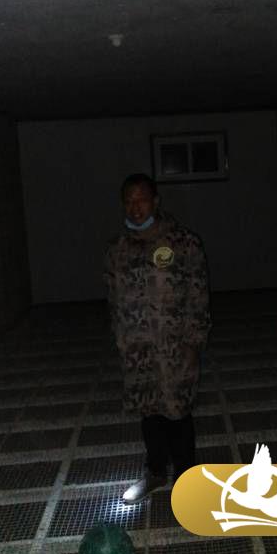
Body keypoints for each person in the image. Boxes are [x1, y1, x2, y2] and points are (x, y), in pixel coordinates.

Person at [104, 173, 211, 503]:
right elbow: (113, 298)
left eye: (142, 200)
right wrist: (121, 339)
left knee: (178, 413)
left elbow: (198, 296)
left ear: (156, 201)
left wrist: (194, 342)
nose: (136, 207)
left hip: (175, 348)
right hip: (138, 349)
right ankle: (154, 472)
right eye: (129, 201)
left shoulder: (183, 242)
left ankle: (186, 479)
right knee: (149, 413)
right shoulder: (118, 248)